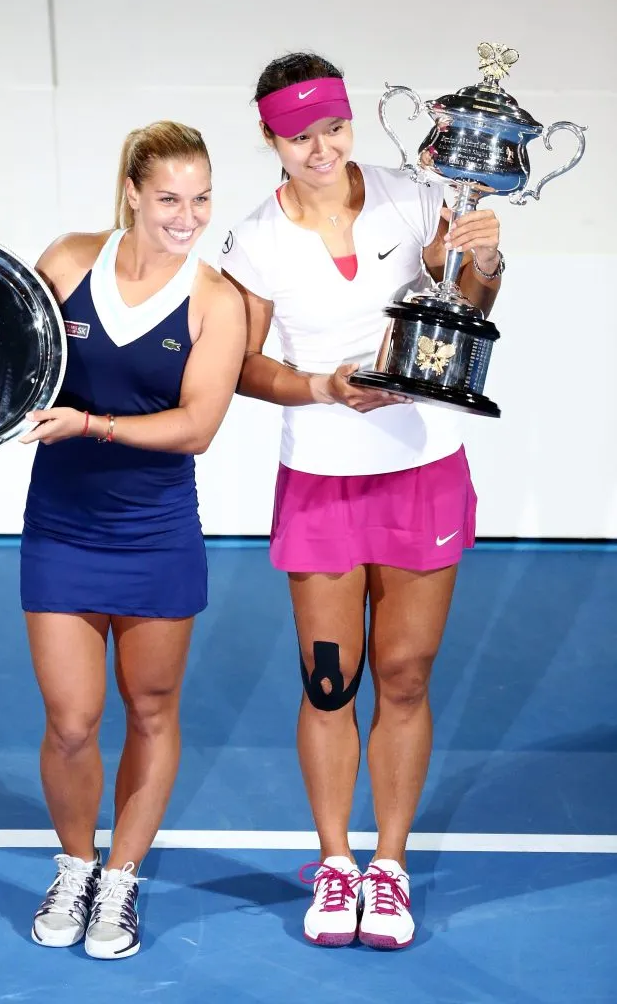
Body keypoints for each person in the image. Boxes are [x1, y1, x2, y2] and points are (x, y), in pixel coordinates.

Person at [220, 52, 503, 950]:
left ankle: (388, 866)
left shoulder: (413, 195)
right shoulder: (253, 239)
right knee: (330, 682)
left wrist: (483, 264)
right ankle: (334, 862)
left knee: (407, 676)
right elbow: (242, 365)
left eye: (333, 129)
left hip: (423, 465)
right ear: (270, 139)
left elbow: (463, 302)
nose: (322, 149)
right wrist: (323, 388)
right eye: (300, 136)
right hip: (321, 480)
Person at [18, 120, 245, 959]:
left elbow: (196, 427)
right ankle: (74, 865)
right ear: (132, 193)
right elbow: (0, 334)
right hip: (62, 529)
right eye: (169, 199)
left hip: (156, 535)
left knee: (150, 710)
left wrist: (90, 423)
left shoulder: (216, 299)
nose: (187, 216)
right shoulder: (68, 261)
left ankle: (119, 880)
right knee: (72, 721)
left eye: (200, 198)